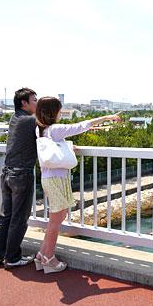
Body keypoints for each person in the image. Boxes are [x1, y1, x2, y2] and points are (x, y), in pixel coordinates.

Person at [34, 96, 120, 274]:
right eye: (59, 110)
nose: (60, 114)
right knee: (56, 220)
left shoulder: (41, 129)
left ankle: (42, 255)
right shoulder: (55, 129)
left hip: (52, 178)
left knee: (57, 217)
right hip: (57, 180)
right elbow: (81, 126)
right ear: (53, 112)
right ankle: (48, 257)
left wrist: (68, 146)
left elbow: (55, 146)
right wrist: (106, 118)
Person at [0, 88, 38, 269]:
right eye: (34, 100)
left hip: (7, 173)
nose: (37, 102)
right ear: (24, 103)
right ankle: (13, 258)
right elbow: (52, 124)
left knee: (5, 216)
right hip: (22, 174)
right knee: (18, 218)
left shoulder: (15, 118)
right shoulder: (30, 120)